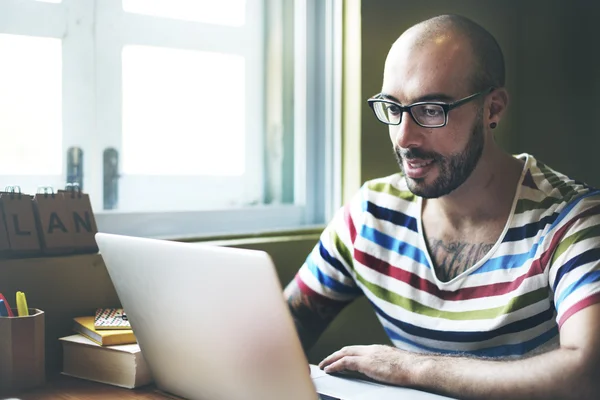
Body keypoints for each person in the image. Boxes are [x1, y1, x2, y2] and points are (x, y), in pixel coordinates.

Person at [284, 14, 600, 400]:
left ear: (493, 109)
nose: (404, 137)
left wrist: (412, 366)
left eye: (431, 109)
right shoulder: (370, 214)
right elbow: (285, 327)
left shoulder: (572, 219)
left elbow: (586, 374)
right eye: (393, 107)